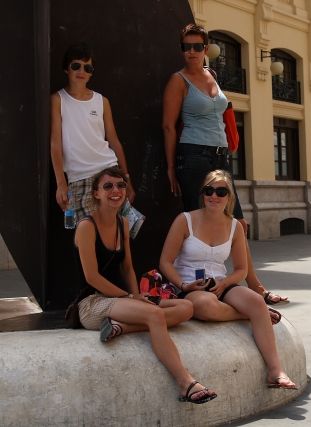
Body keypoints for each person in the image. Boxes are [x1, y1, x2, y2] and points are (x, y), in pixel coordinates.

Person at [162, 24, 288, 307]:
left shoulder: (212, 76)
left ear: (206, 49)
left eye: (197, 47)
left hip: (220, 157)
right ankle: (193, 285)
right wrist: (171, 168)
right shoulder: (178, 81)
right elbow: (169, 127)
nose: (191, 52)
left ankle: (254, 285)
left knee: (238, 223)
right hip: (193, 155)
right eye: (186, 47)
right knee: (195, 222)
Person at [74, 166, 216, 404]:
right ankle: (186, 382)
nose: (115, 190)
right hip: (93, 303)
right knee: (155, 316)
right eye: (107, 186)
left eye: (120, 185)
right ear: (96, 194)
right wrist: (130, 298)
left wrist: (135, 295)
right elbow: (92, 278)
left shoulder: (123, 223)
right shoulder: (87, 226)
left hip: (122, 301)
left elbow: (128, 267)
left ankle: (121, 327)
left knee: (185, 308)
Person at [159, 170, 297, 389]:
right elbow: (165, 262)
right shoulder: (185, 220)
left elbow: (241, 269)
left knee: (255, 300)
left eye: (221, 191)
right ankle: (254, 315)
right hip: (189, 285)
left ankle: (275, 370)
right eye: (209, 190)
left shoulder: (235, 226)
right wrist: (184, 285)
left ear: (229, 196)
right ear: (203, 193)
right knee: (206, 305)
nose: (214, 196)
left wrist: (224, 284)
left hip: (221, 283)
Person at [51, 42, 135, 226]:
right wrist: (60, 183)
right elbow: (55, 144)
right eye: (76, 65)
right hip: (79, 179)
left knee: (119, 234)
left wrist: (126, 179)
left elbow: (114, 141)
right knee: (86, 237)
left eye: (87, 67)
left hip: (110, 172)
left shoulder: (101, 101)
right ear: (67, 68)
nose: (81, 71)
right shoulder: (57, 100)